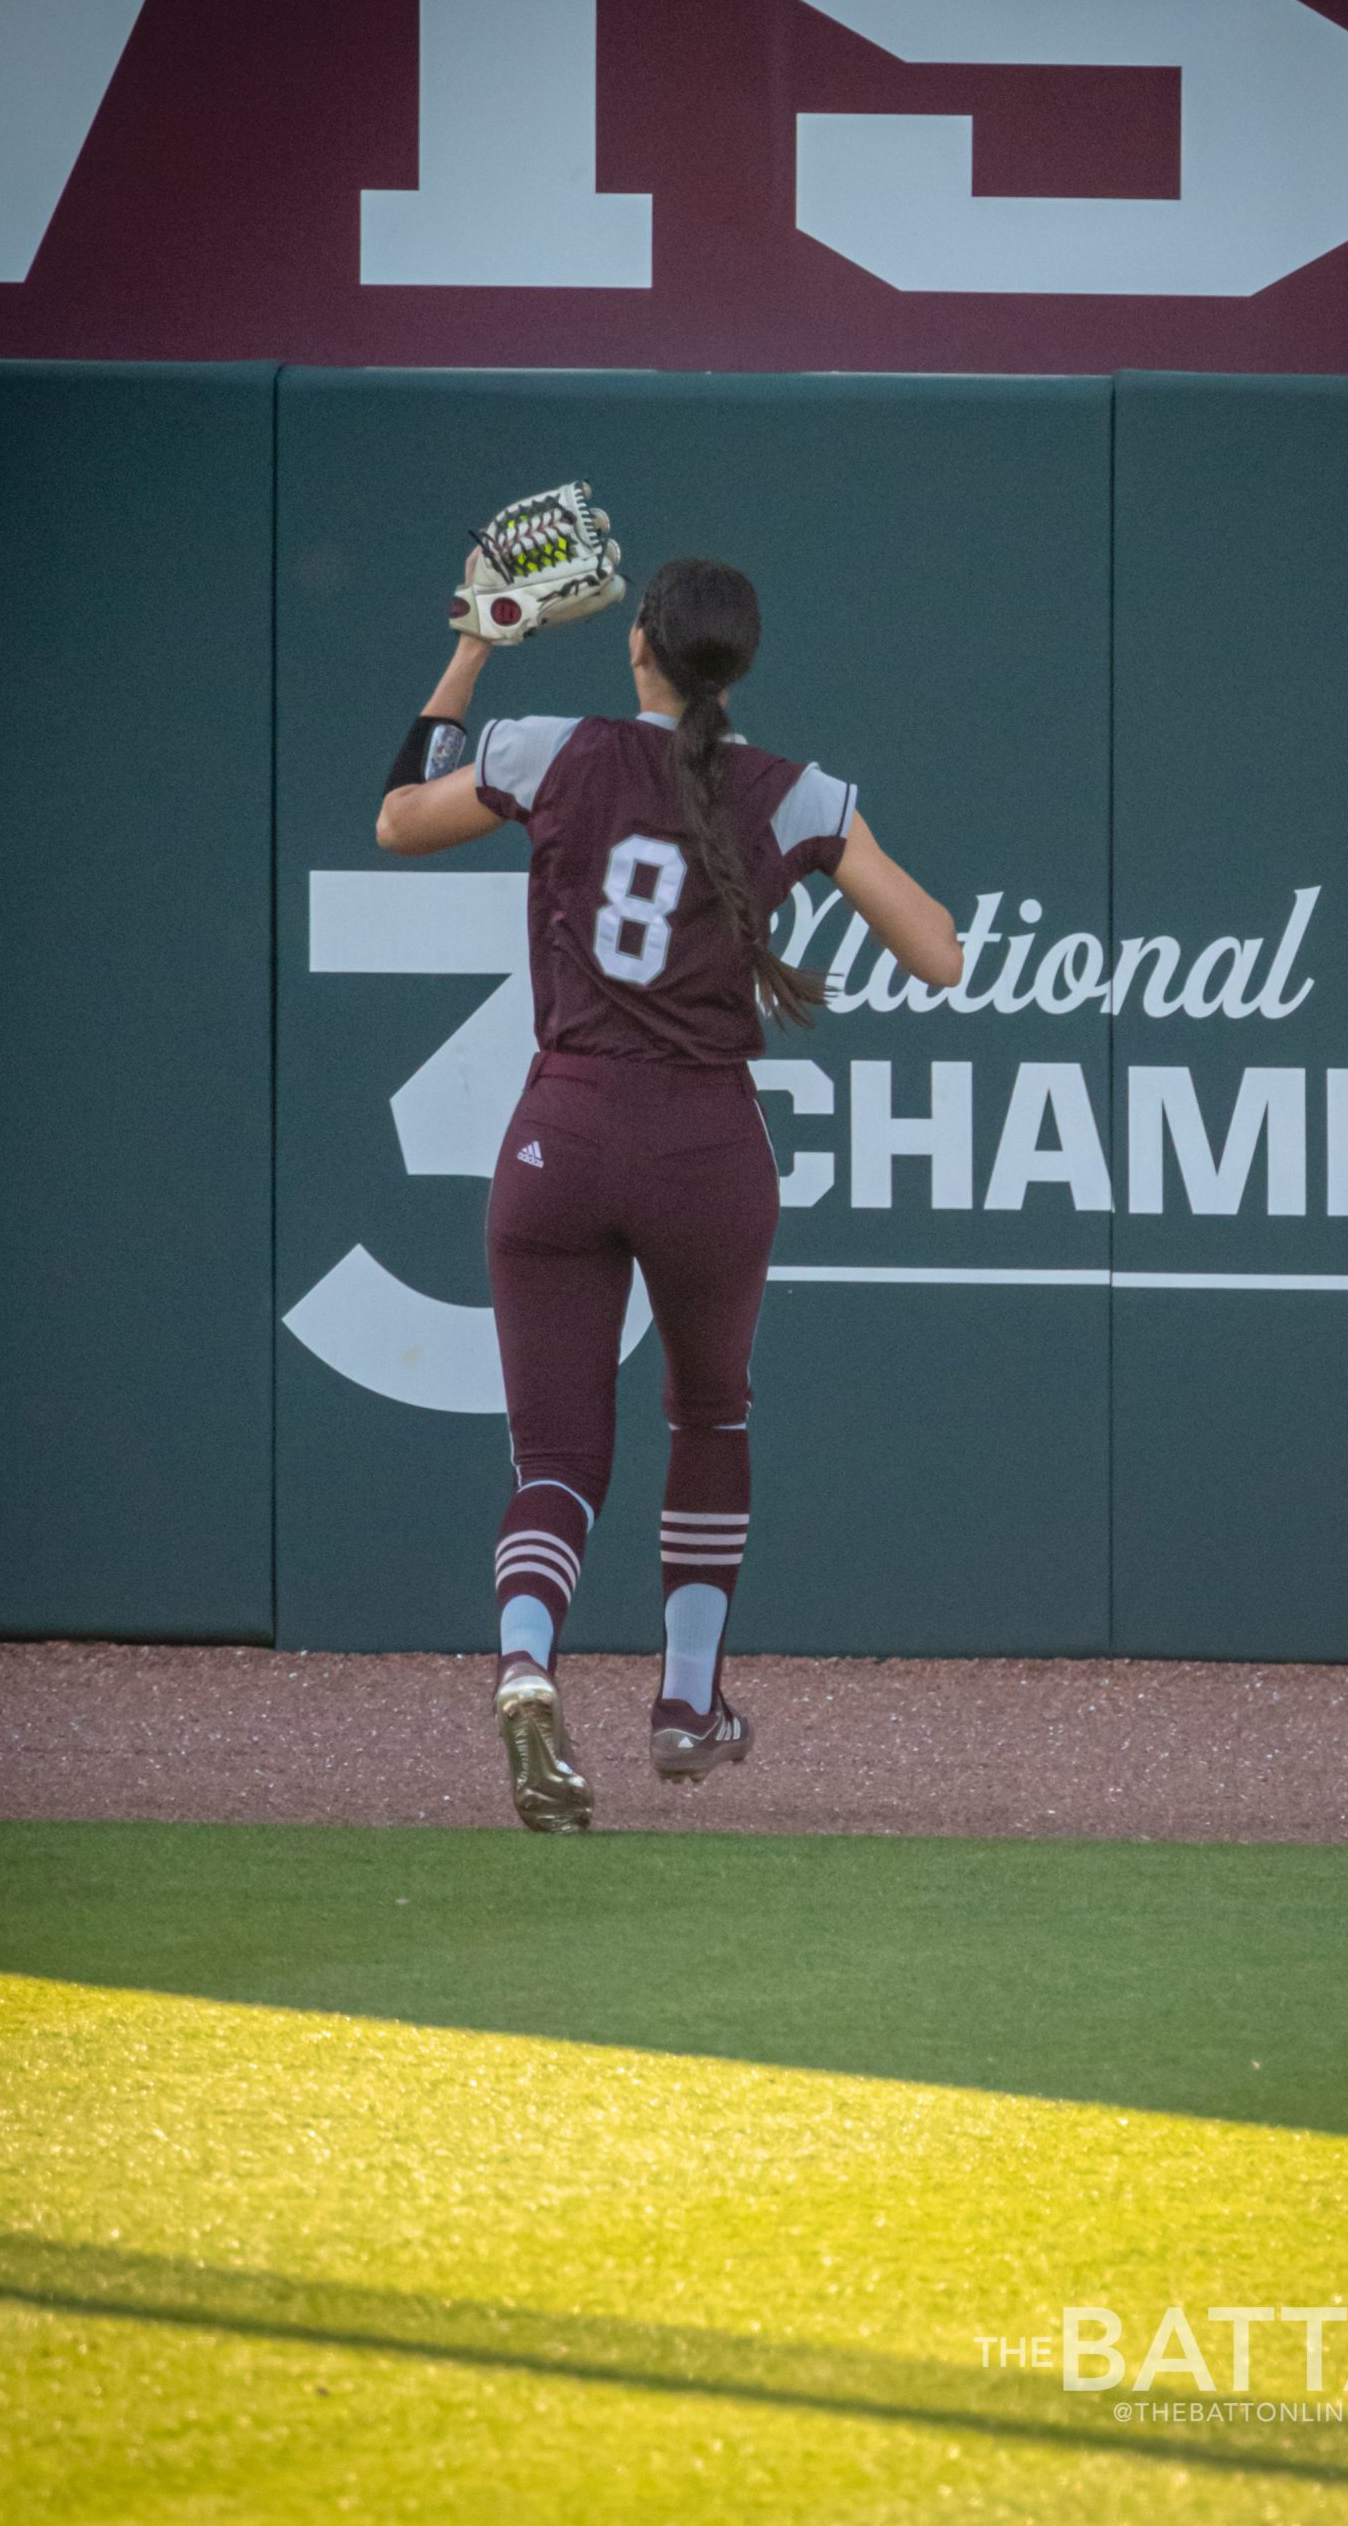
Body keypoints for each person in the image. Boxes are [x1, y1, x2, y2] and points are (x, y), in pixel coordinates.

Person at [376, 556, 962, 1831]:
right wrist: (820, 852)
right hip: (704, 1144)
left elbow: (399, 819)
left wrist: (475, 647)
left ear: (637, 644)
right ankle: (686, 1706)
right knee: (708, 1415)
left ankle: (527, 1664)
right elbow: (940, 953)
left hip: (563, 1131)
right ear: (736, 665)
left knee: (557, 1458)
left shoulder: (551, 749)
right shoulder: (792, 791)